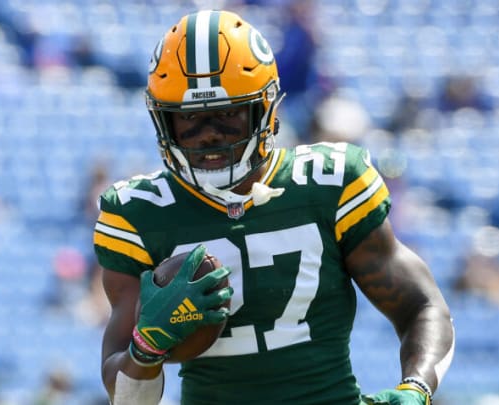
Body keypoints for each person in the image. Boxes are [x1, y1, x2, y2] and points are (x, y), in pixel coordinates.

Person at [93, 10, 455, 405]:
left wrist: (416, 388)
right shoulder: (138, 212)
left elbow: (423, 307)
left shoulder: (331, 182)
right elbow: (128, 400)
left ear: (265, 109)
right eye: (189, 119)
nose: (209, 133)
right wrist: (147, 346)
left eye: (228, 114)